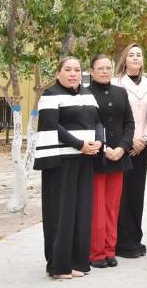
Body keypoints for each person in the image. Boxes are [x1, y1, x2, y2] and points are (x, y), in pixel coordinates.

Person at [35, 56, 103, 279]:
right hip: (61, 162)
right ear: (58, 73)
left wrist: (99, 141)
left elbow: (97, 121)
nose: (73, 73)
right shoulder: (50, 95)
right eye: (68, 69)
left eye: (76, 70)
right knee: (61, 213)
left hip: (85, 160)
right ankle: (58, 265)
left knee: (81, 212)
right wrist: (80, 144)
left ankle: (76, 261)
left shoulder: (87, 95)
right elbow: (52, 125)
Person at [86, 55, 135, 269]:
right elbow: (87, 124)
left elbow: (129, 123)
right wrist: (105, 148)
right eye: (100, 68)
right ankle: (96, 253)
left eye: (108, 68)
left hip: (119, 157)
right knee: (96, 207)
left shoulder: (121, 92)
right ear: (91, 71)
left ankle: (110, 250)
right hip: (97, 157)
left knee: (113, 207)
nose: (105, 71)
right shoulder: (85, 93)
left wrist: (122, 148)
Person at [112, 43, 147, 258]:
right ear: (125, 59)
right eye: (131, 54)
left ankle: (135, 239)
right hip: (123, 146)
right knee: (121, 194)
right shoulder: (116, 83)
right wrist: (129, 141)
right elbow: (116, 117)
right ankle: (121, 242)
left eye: (139, 54)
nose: (136, 57)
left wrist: (144, 138)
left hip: (142, 147)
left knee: (137, 194)